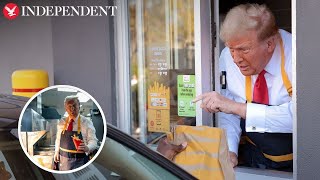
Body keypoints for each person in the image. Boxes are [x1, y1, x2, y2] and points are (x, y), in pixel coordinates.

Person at [159, 3, 293, 171]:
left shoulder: (296, 55)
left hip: (301, 159)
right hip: (255, 156)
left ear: (269, 44)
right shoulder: (227, 59)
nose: (236, 59)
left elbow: (302, 118)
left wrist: (235, 107)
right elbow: (229, 113)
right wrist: (230, 151)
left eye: (243, 49)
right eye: (231, 49)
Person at [53, 95, 98, 171]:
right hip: (63, 160)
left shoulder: (87, 123)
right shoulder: (62, 122)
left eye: (74, 106)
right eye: (69, 106)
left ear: (79, 107)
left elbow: (93, 141)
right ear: (66, 109)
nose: (72, 109)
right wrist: (56, 151)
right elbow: (58, 139)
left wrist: (88, 148)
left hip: (80, 161)